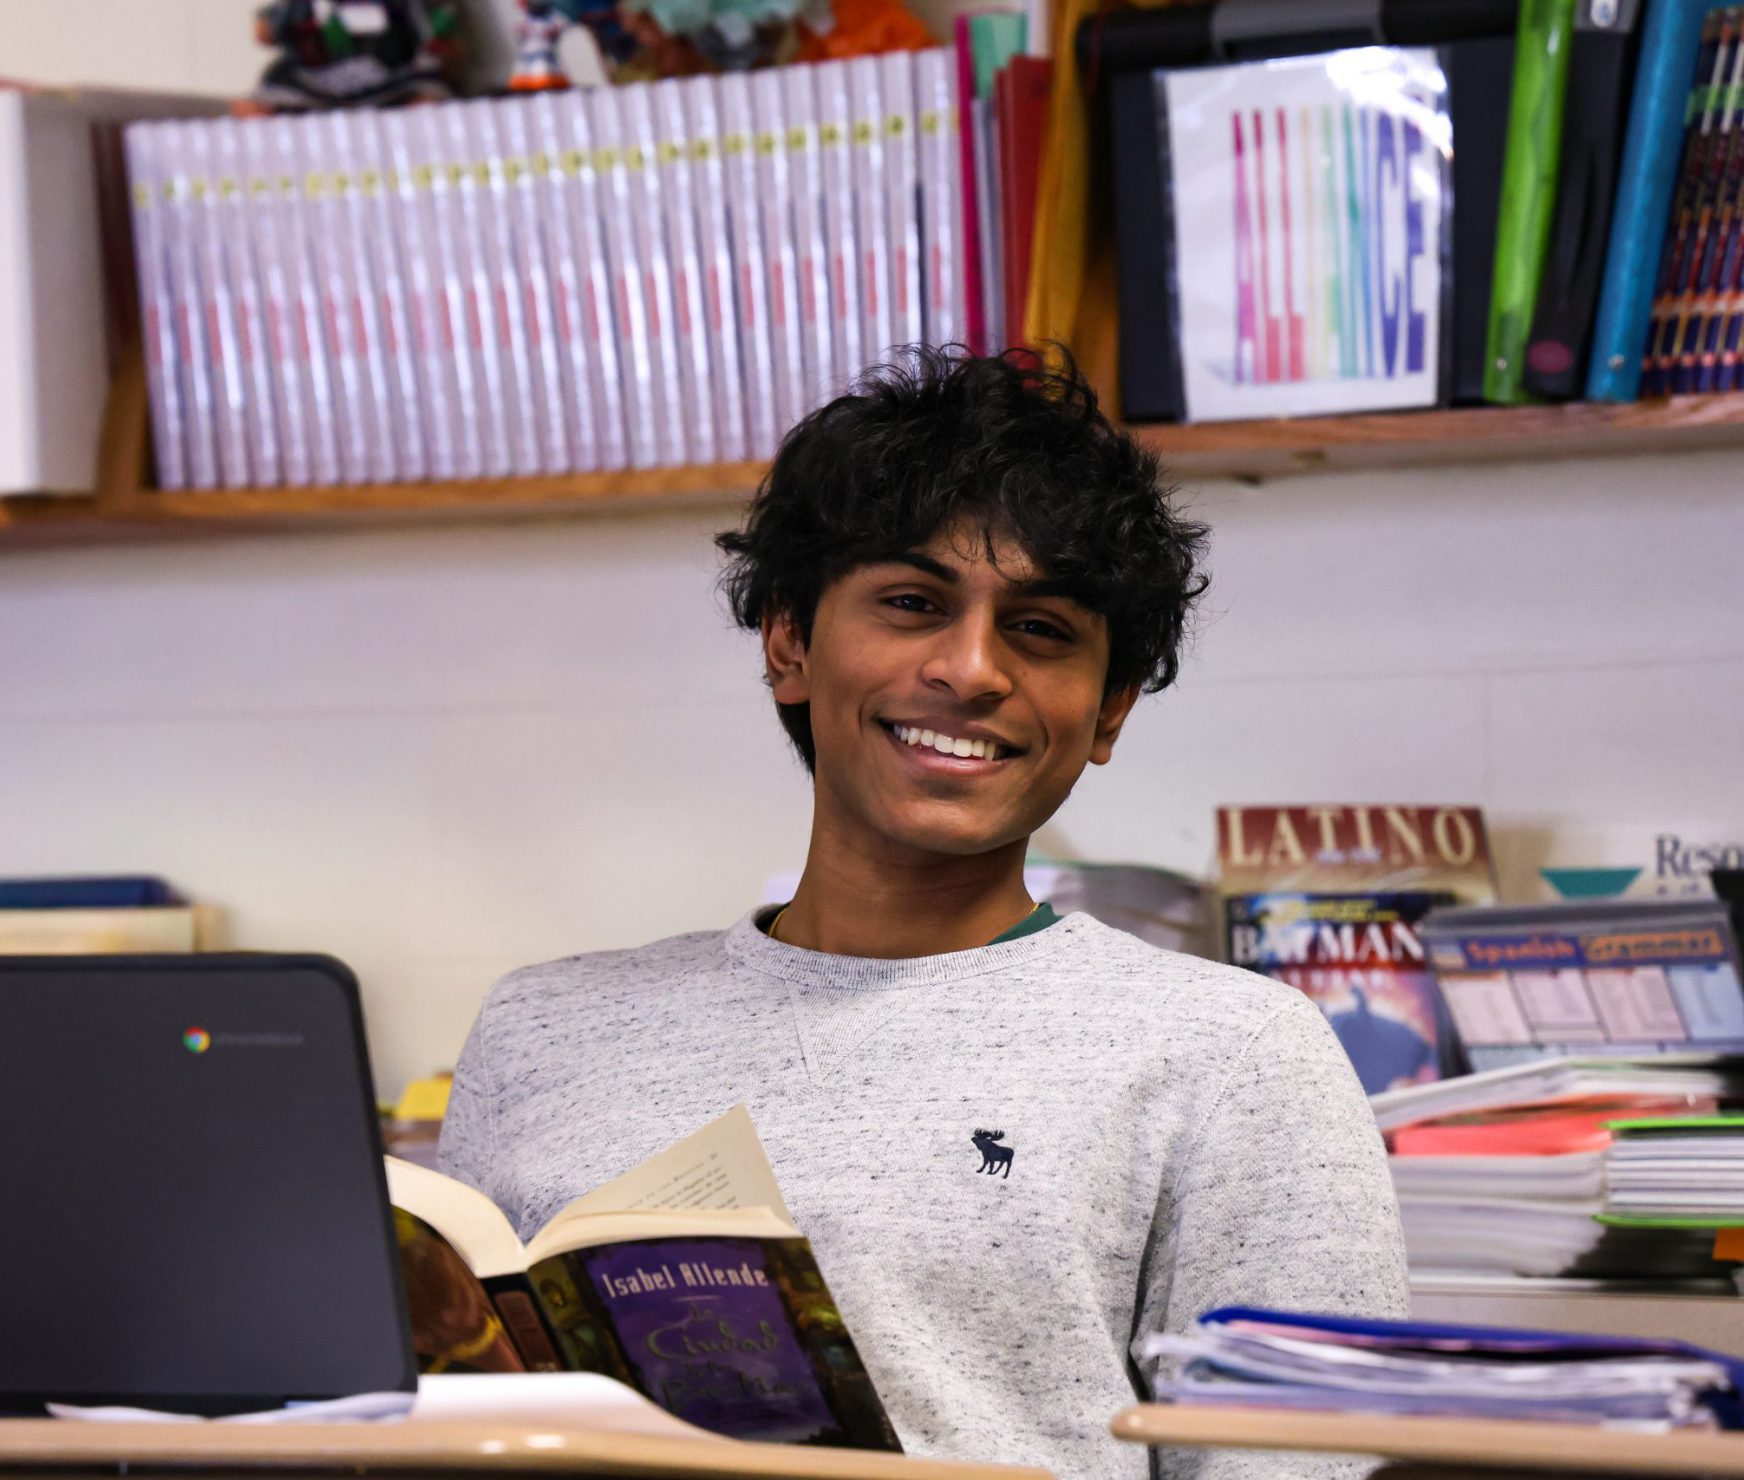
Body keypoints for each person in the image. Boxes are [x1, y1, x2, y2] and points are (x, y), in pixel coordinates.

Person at [437, 349, 1409, 1478]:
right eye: (911, 603)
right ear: (790, 642)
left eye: (1042, 629)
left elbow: (1303, 1471)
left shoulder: (1235, 1055)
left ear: (1107, 711)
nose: (970, 669)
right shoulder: (541, 1028)